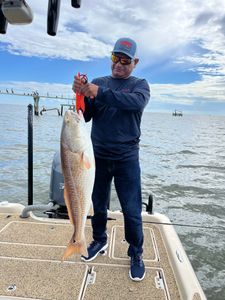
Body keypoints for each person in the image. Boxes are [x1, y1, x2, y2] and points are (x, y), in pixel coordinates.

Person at [73, 37, 150, 281]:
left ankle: (136, 252)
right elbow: (86, 116)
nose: (119, 64)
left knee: (132, 209)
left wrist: (99, 92)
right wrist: (82, 94)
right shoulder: (98, 82)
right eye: (115, 58)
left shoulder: (140, 85)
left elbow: (133, 103)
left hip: (127, 157)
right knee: (98, 203)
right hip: (98, 157)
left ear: (134, 62)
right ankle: (99, 240)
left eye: (125, 60)